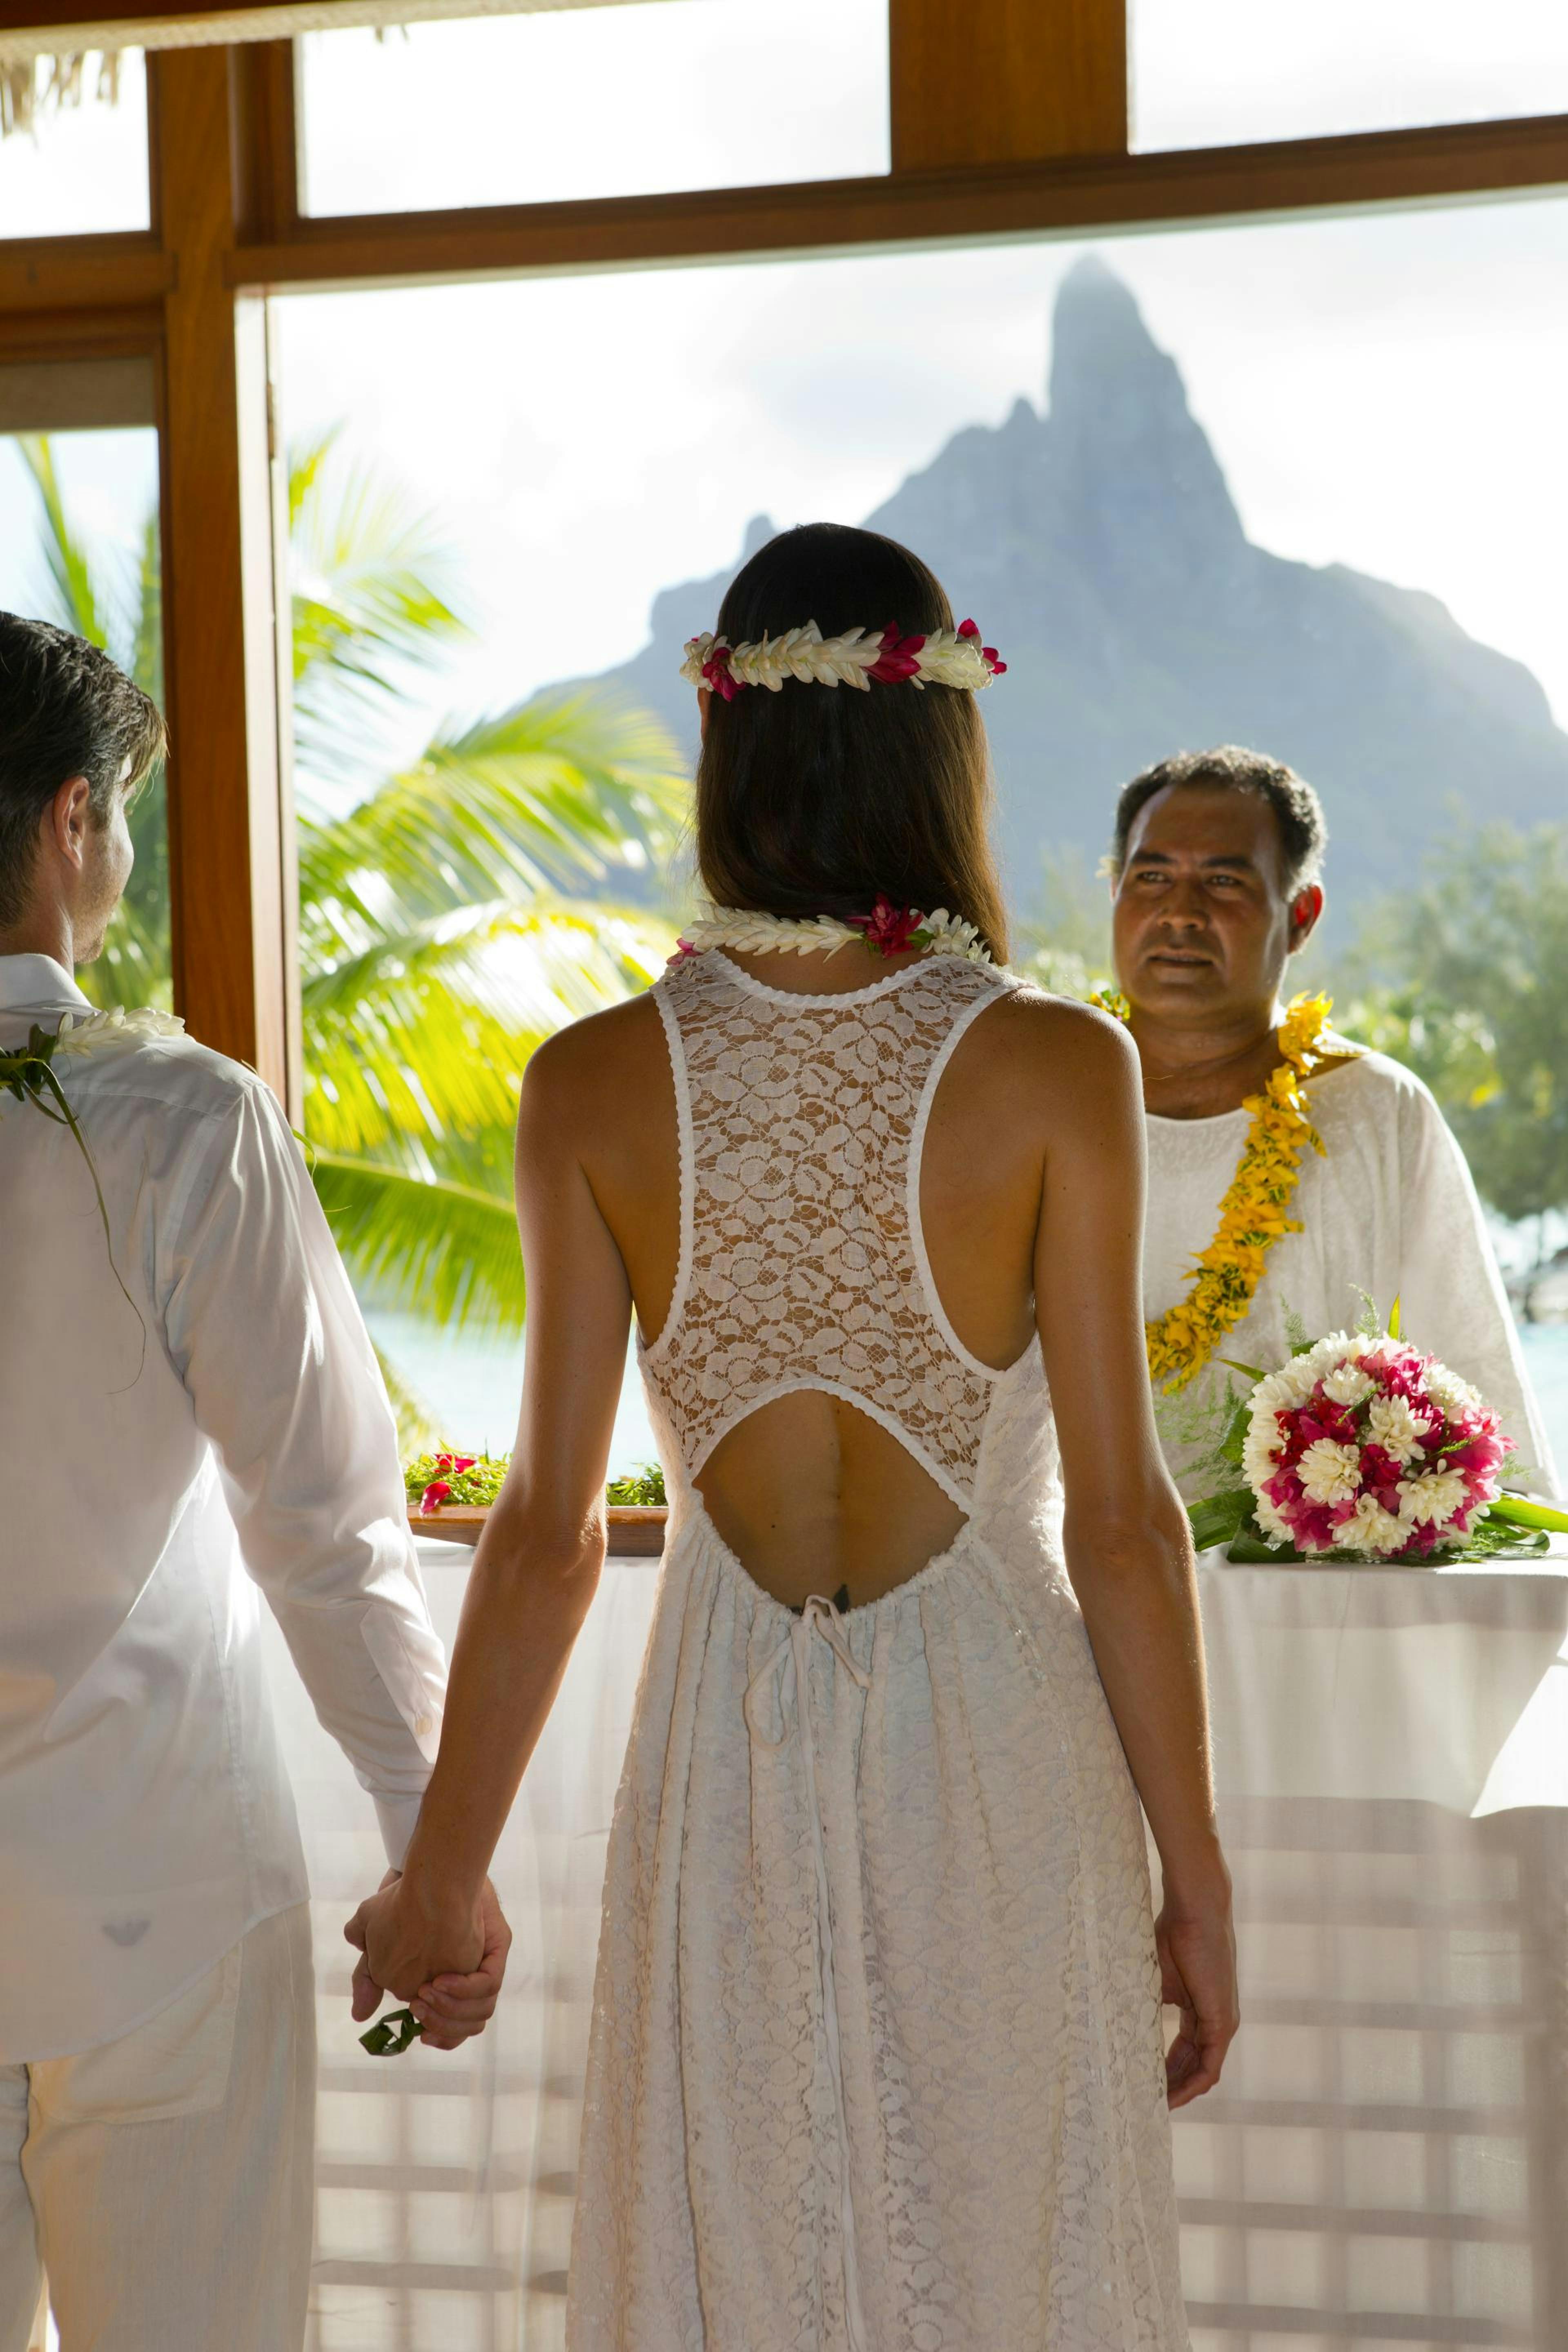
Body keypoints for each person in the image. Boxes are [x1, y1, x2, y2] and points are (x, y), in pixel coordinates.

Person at [348, 523, 1236, 2349]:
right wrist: (1198, 1880)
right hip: (996, 1744)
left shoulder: (588, 1079)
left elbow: (546, 1532)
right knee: (1013, 2253)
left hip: (729, 1738)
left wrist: (445, 1870)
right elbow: (1124, 1529)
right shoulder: (1061, 1062)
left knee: (741, 2255)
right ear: (944, 756)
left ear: (727, 754)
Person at [0, 615, 509, 2352]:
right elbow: (325, 1521)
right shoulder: (176, 1119)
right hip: (160, 1881)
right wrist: (429, 1846)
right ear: (71, 823)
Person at [1107, 744, 1557, 1491]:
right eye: (1151, 876)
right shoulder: (1042, 1094)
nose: (1180, 913)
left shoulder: (1378, 1110)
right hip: (1063, 1583)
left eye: (1223, 881)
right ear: (1117, 892)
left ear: (1303, 914)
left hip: (1313, 1585)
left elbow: (1475, 1385)